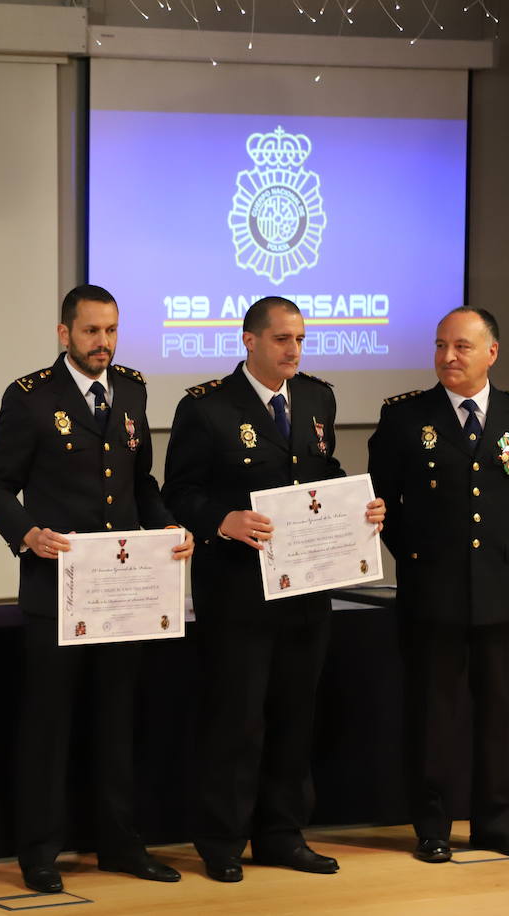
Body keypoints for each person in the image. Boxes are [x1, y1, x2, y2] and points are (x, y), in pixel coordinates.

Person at [0, 285, 193, 895]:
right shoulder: (30, 398)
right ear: (64, 333)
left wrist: (169, 523)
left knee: (117, 722)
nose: (103, 343)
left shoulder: (132, 388)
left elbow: (141, 481)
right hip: (58, 591)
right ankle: (40, 853)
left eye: (112, 331)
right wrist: (27, 535)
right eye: (92, 331)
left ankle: (120, 844)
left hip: (125, 590)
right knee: (48, 726)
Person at [162, 295, 384, 883]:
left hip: (307, 588)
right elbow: (177, 491)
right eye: (283, 339)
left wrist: (357, 505)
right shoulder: (206, 407)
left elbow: (322, 472)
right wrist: (223, 520)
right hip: (237, 591)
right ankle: (222, 839)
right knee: (236, 719)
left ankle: (282, 834)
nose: (294, 350)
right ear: (250, 341)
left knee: (294, 715)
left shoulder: (317, 396)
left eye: (301, 339)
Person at [368, 307, 509, 864]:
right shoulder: (405, 416)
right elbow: (382, 505)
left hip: (505, 587)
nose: (448, 357)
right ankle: (433, 827)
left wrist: (501, 552)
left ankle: (499, 824)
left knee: (503, 711)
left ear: (491, 353)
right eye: (440, 346)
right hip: (433, 586)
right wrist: (422, 558)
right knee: (435, 713)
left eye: (462, 347)